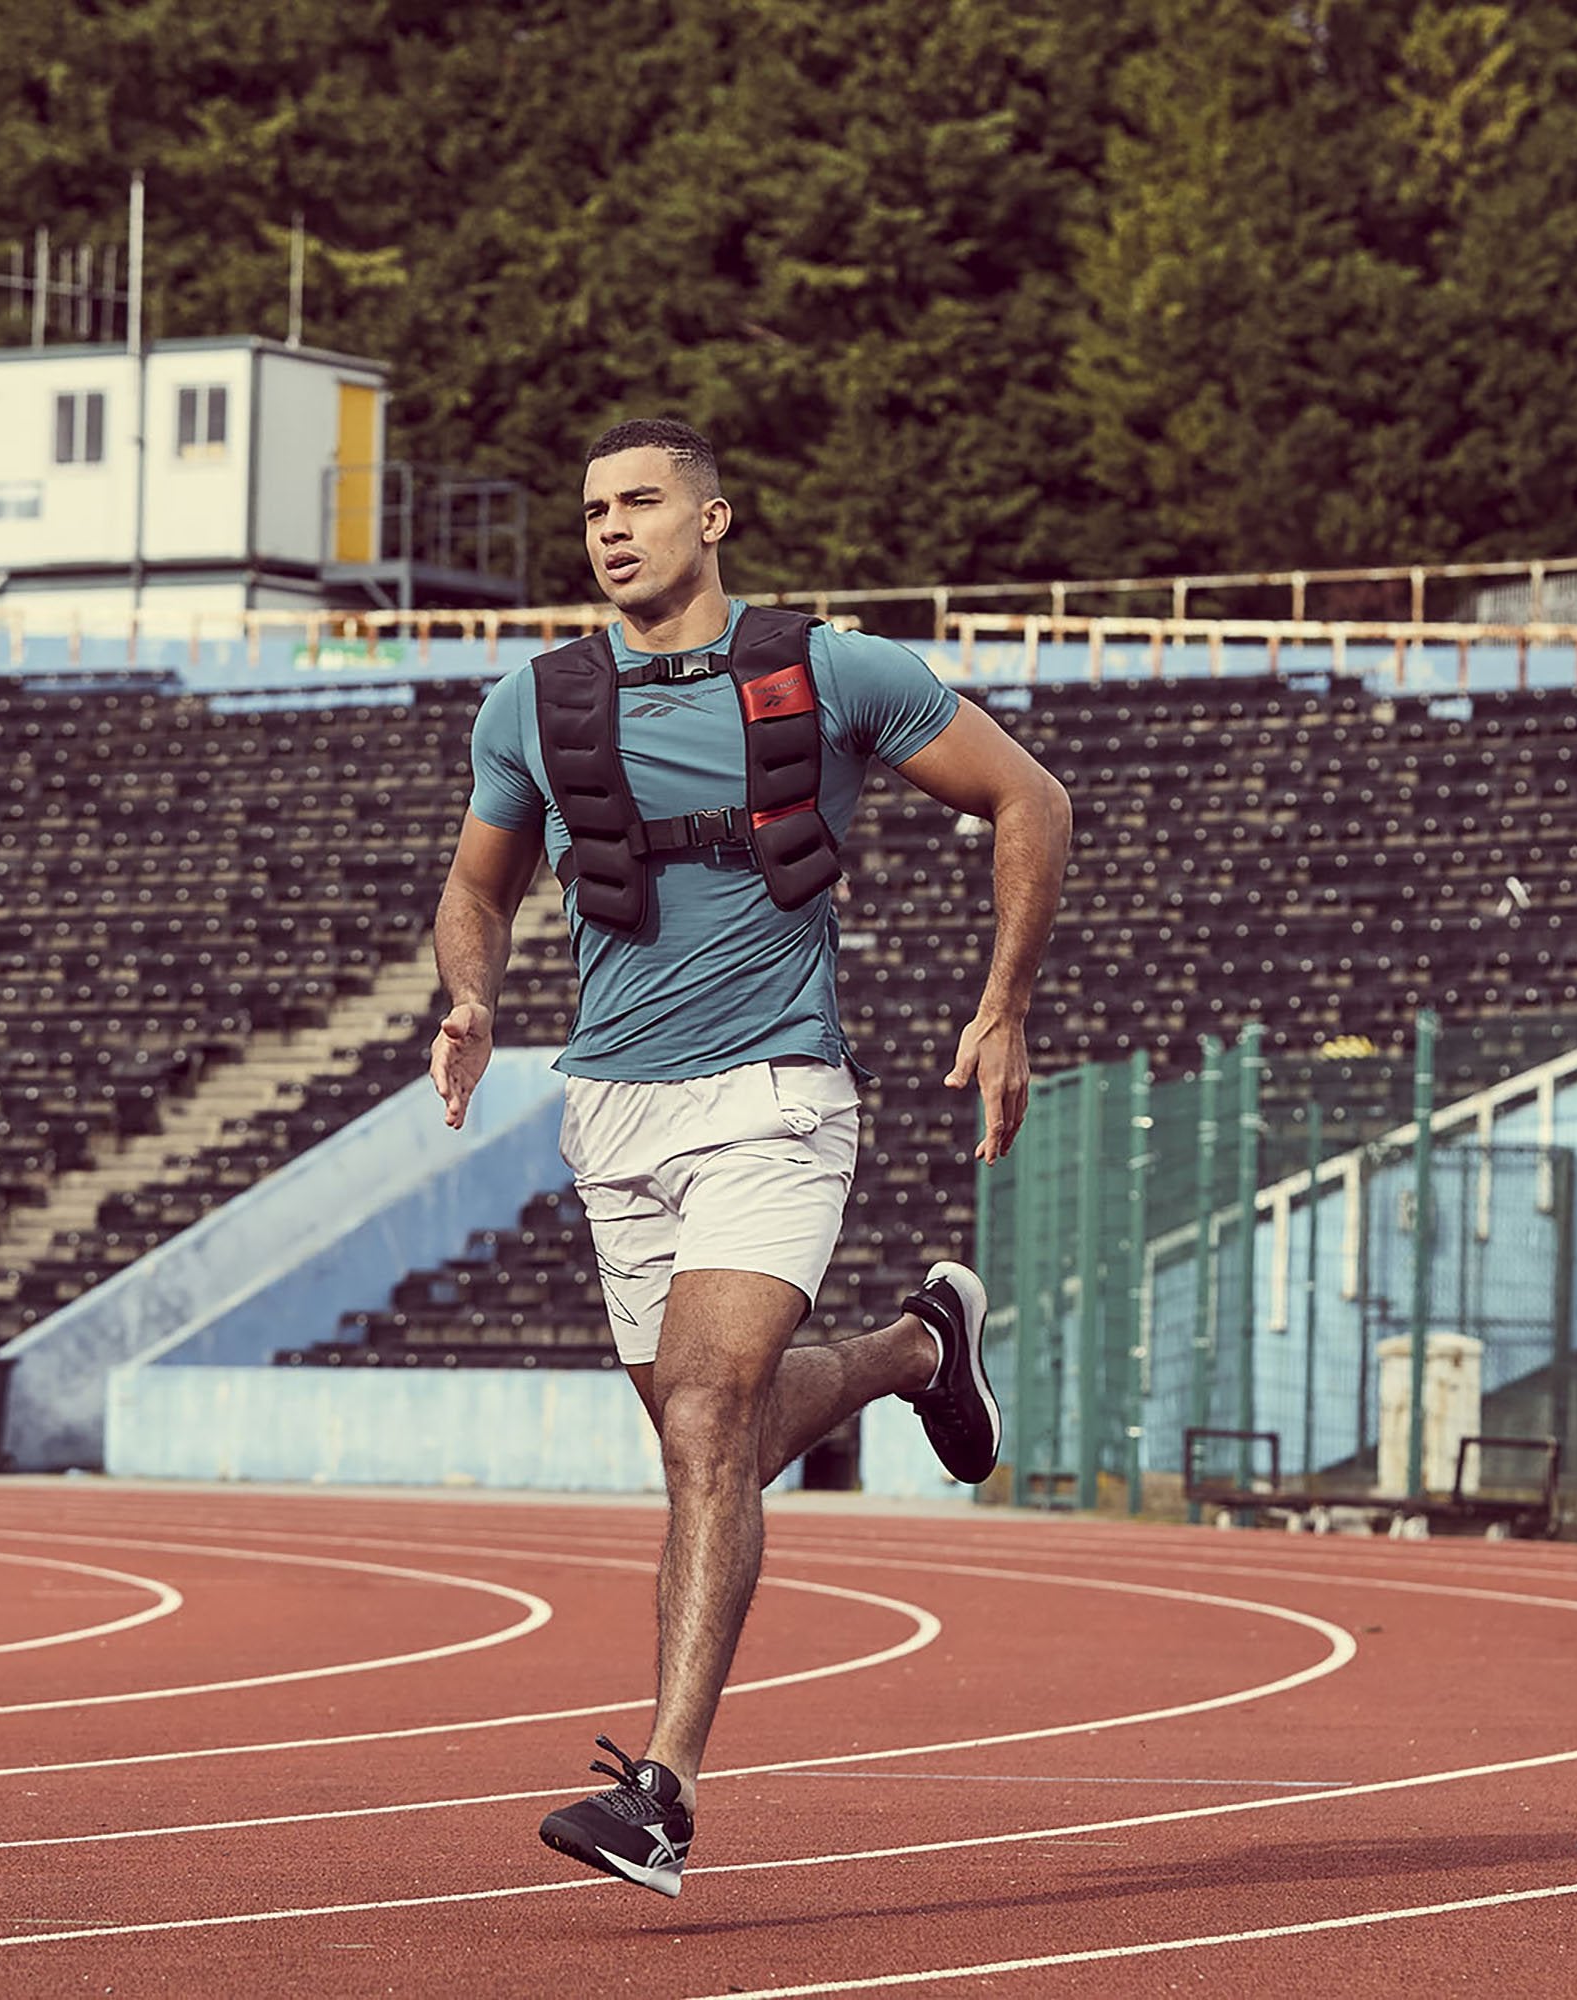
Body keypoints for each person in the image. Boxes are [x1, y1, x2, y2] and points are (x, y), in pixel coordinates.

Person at [428, 416, 1070, 1897]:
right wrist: (469, 991)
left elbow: (1027, 796)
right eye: (592, 508)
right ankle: (918, 1349)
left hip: (774, 1095)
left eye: (641, 502)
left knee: (711, 1421)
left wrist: (1007, 1002)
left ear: (714, 518)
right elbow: (476, 889)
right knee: (700, 1433)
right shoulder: (532, 704)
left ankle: (663, 1790)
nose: (610, 528)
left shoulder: (834, 672)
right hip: (615, 1110)